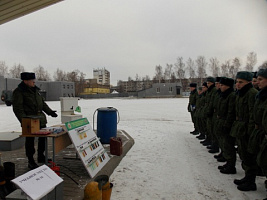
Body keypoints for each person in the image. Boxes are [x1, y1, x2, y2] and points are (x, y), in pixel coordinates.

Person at [12, 72, 58, 170]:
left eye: (34, 80)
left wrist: (50, 112)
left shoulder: (35, 90)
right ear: (25, 81)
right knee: (30, 141)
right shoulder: (19, 92)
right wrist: (24, 121)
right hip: (29, 121)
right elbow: (18, 108)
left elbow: (42, 103)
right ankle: (30, 160)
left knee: (43, 139)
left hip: (40, 119)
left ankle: (41, 156)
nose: (34, 82)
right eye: (32, 80)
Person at [230, 71, 258, 191]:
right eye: (237, 82)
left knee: (249, 156)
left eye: (241, 82)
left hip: (247, 129)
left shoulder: (252, 93)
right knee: (244, 154)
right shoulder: (240, 94)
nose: (238, 84)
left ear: (249, 82)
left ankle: (251, 181)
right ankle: (247, 177)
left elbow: (253, 114)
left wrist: (250, 132)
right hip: (240, 127)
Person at [215, 77, 236, 174]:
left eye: (222, 85)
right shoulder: (223, 95)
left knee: (229, 145)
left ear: (227, 86)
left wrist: (227, 125)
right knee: (225, 143)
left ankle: (231, 165)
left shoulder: (231, 96)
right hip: (221, 121)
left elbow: (231, 112)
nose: (220, 86)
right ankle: (228, 162)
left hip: (226, 123)